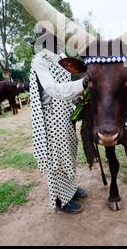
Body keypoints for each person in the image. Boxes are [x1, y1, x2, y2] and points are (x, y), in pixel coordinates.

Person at [30, 25, 87, 214]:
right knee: (57, 157)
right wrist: (82, 83)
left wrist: (78, 97)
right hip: (51, 116)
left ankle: (70, 190)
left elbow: (65, 89)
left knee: (69, 152)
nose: (59, 41)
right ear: (46, 41)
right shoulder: (40, 61)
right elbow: (52, 89)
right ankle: (61, 200)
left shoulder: (62, 59)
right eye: (55, 38)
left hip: (65, 113)